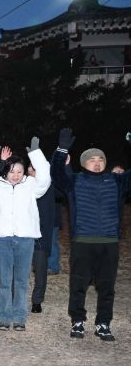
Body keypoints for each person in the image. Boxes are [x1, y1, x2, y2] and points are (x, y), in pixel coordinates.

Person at [52, 129, 131, 341]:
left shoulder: (117, 181)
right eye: (92, 160)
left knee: (107, 287)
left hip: (109, 242)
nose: (97, 163)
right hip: (83, 241)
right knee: (78, 285)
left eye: (100, 160)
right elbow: (56, 175)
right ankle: (78, 321)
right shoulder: (74, 181)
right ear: (83, 163)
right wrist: (61, 150)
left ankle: (103, 323)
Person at [0, 137, 50, 332]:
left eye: (19, 171)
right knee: (4, 281)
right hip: (2, 239)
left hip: (25, 238)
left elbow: (45, 178)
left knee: (21, 281)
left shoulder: (32, 185)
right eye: (12, 171)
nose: (16, 175)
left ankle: (19, 318)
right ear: (6, 171)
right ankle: (4, 317)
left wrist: (36, 153)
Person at [27, 164, 56, 314]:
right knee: (19, 270)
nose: (32, 171)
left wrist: (65, 165)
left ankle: (37, 301)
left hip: (41, 235)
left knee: (40, 269)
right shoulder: (21, 186)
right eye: (30, 168)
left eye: (35, 168)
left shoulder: (49, 187)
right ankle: (16, 298)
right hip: (23, 234)